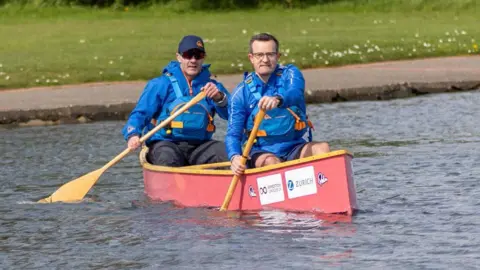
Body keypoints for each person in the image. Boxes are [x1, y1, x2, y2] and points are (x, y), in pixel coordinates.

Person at [225, 33, 330, 175]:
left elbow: (296, 92)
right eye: (259, 55)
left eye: (270, 54)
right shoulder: (240, 94)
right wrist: (234, 157)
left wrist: (278, 99)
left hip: (294, 146)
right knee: (272, 163)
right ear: (251, 58)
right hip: (262, 152)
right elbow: (233, 135)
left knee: (323, 148)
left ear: (278, 56)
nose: (265, 60)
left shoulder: (291, 74)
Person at [122, 35, 230, 167]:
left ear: (203, 58)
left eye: (198, 55)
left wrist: (219, 98)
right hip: (166, 143)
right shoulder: (160, 84)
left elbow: (232, 115)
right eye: (188, 55)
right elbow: (140, 114)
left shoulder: (213, 87)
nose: (193, 60)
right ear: (179, 57)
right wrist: (133, 134)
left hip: (201, 146)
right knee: (168, 159)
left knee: (228, 155)